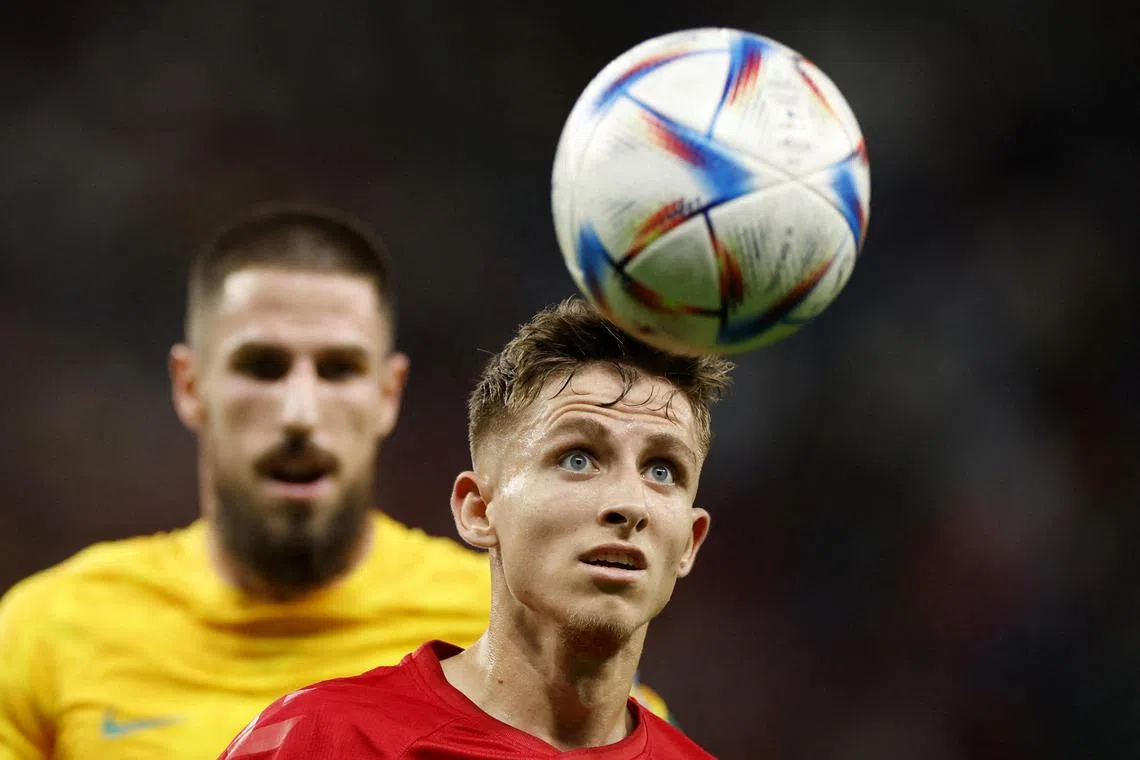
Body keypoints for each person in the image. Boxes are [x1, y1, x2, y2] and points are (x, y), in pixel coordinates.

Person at [0, 204, 673, 760]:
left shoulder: (519, 626)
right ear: (189, 385)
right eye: (262, 367)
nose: (300, 413)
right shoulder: (46, 634)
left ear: (387, 392)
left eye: (338, 370)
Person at [218, 298, 732, 758]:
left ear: (689, 542)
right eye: (578, 458)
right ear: (478, 510)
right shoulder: (321, 741)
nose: (629, 504)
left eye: (662, 470)